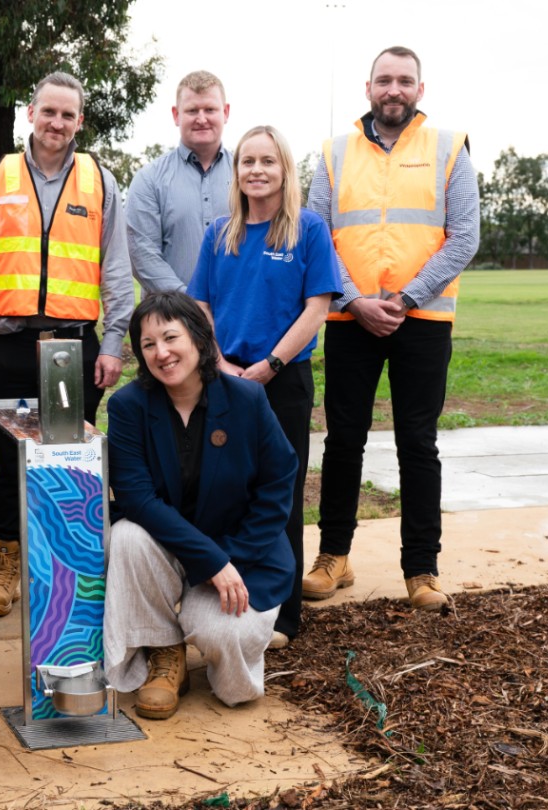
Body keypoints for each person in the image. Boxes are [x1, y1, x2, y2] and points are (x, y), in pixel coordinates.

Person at [303, 46, 480, 611]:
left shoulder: (450, 149)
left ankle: (421, 571)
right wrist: (355, 301)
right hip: (351, 321)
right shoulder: (333, 153)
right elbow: (316, 236)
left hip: (421, 320)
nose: (394, 90)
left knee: (418, 444)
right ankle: (334, 556)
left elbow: (465, 238)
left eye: (405, 81)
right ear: (368, 87)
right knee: (343, 441)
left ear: (419, 90)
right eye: (385, 80)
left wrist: (405, 299)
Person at [0, 71, 133, 618]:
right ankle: (7, 563)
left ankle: (65, 568)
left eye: (67, 114)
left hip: (72, 348)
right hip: (8, 346)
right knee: (9, 461)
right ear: (29, 113)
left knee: (65, 461)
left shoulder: (102, 182)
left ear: (79, 121)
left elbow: (116, 270)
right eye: (48, 112)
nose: (56, 123)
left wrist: (112, 345)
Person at [103, 292, 297, 719]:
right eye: (148, 343)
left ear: (199, 338)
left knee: (220, 637)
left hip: (242, 551)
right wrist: (209, 561)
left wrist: (230, 559)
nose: (161, 352)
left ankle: (224, 649)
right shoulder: (127, 407)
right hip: (170, 549)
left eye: (171, 337)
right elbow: (137, 498)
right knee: (128, 536)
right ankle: (164, 654)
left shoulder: (247, 399)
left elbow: (278, 483)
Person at [187, 125, 341, 647]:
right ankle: (230, 602)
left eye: (267, 161)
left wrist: (272, 363)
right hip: (224, 378)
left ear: (285, 170)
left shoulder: (309, 230)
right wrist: (221, 363)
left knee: (282, 496)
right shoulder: (218, 233)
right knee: (226, 492)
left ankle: (282, 616)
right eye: (247, 161)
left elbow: (317, 307)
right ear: (237, 171)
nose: (256, 170)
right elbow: (201, 306)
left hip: (283, 380)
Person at [126, 70, 232, 293]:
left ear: (226, 112)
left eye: (210, 109)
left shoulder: (247, 175)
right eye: (192, 110)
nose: (201, 119)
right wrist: (190, 305)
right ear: (176, 115)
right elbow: (142, 255)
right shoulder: (149, 180)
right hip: (170, 320)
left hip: (239, 318)